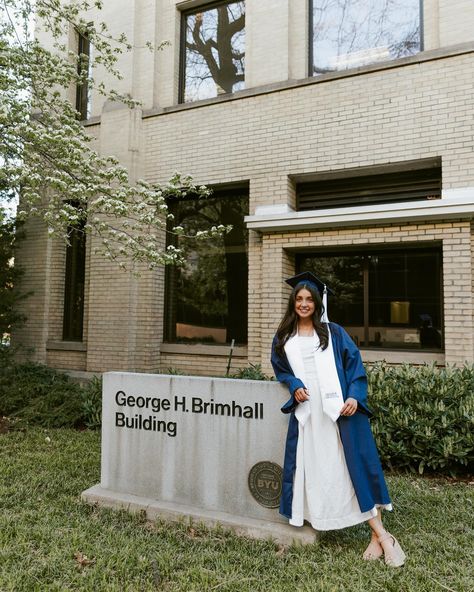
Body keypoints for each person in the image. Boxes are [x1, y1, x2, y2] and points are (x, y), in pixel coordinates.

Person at [271, 272, 406, 567]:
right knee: (322, 471)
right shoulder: (284, 336)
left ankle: (382, 536)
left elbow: (355, 366)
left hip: (339, 412)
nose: (304, 304)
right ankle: (366, 531)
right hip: (309, 415)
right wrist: (293, 384)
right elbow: (281, 369)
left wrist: (355, 396)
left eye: (309, 299)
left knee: (352, 467)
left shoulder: (334, 333)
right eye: (299, 299)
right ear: (293, 302)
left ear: (317, 303)